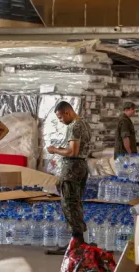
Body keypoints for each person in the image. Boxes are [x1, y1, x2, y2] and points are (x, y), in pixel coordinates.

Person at [46, 101, 91, 255]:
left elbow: (72, 152)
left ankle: (76, 242)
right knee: (76, 203)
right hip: (82, 167)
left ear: (67, 112)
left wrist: (55, 150)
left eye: (60, 117)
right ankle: (79, 241)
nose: (60, 121)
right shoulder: (84, 123)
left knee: (69, 204)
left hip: (72, 168)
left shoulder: (74, 126)